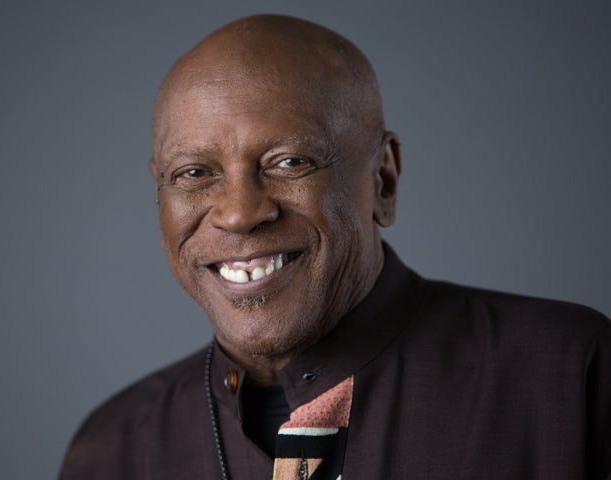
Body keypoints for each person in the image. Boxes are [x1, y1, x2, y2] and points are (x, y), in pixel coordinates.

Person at [59, 14, 610, 479]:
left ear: (383, 179)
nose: (238, 212)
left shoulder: (569, 377)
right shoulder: (113, 450)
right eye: (195, 173)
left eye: (289, 162)